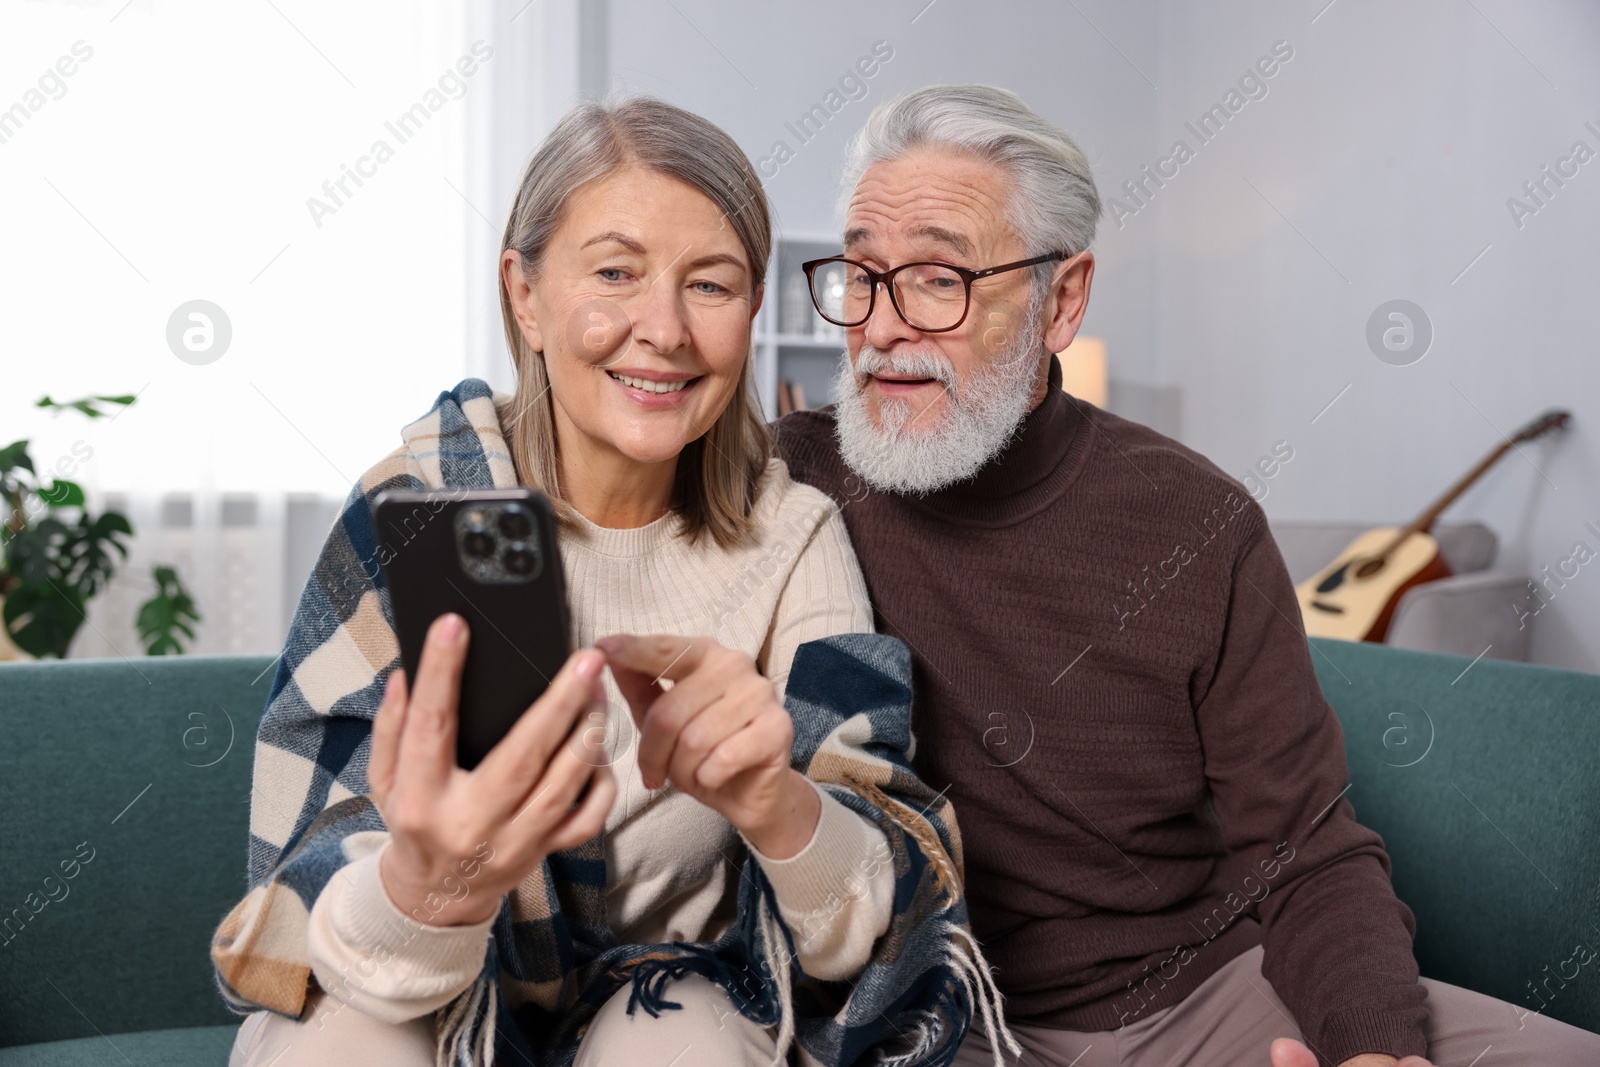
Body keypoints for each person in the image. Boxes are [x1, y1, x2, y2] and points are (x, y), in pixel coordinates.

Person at [776, 84, 1600, 1067]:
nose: (877, 327)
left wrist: (1373, 1044)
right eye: (860, 276)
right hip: (936, 1012)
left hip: (1201, 995)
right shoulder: (784, 478)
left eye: (937, 278)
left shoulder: (1195, 520)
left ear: (1062, 299)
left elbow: (1304, 842)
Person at [211, 97, 985, 1067]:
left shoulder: (795, 535)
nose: (661, 329)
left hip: (674, 987)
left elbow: (866, 923)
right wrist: (430, 879)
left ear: (751, 310)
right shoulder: (416, 509)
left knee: (671, 1032)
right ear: (525, 294)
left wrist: (772, 797)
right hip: (421, 983)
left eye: (709, 283)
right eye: (614, 272)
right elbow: (318, 935)